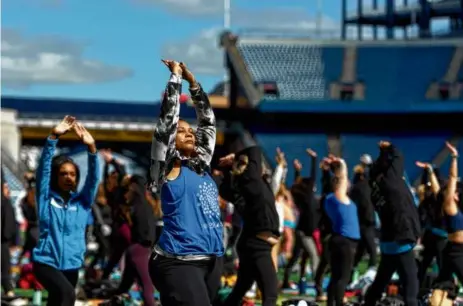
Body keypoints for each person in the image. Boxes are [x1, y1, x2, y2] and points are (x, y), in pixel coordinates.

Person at [148, 60, 223, 306]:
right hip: (178, 259)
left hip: (211, 258)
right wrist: (176, 78)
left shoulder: (200, 164)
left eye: (191, 131)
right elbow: (166, 124)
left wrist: (194, 86)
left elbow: (208, 123)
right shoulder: (169, 166)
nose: (190, 133)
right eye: (183, 131)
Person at [32, 116, 99, 306]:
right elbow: (43, 172)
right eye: (63, 174)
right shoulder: (46, 199)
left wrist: (92, 147)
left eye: (72, 174)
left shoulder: (83, 202)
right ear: (56, 177)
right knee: (67, 294)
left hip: (72, 265)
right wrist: (53, 137)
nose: (68, 177)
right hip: (46, 262)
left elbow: (93, 179)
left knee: (60, 301)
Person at [219, 146, 280, 306]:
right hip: (258, 247)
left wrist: (230, 167)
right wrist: (236, 155)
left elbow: (227, 188)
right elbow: (255, 149)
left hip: (251, 244)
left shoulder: (250, 186)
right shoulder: (252, 182)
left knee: (240, 290)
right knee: (271, 294)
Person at [365, 141, 421, 306]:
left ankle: (368, 302)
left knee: (379, 284)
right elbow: (399, 156)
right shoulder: (392, 179)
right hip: (400, 240)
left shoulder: (375, 188)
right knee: (411, 287)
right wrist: (388, 147)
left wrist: (382, 154)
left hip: (388, 242)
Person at [323, 156, 360, 306]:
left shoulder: (331, 199)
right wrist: (343, 164)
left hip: (340, 239)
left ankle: (331, 303)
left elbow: (341, 181)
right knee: (343, 277)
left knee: (336, 276)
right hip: (345, 241)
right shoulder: (337, 198)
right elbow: (343, 179)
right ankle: (337, 303)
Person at [113, 175, 156, 306]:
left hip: (136, 248)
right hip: (140, 249)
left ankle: (112, 301)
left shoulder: (138, 203)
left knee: (125, 285)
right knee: (147, 285)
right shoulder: (142, 203)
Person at [1, 170, 17, 298]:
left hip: (2, 242)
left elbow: (10, 223)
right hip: (3, 241)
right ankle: (8, 290)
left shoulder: (5, 202)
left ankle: (8, 290)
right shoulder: (5, 202)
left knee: (5, 267)